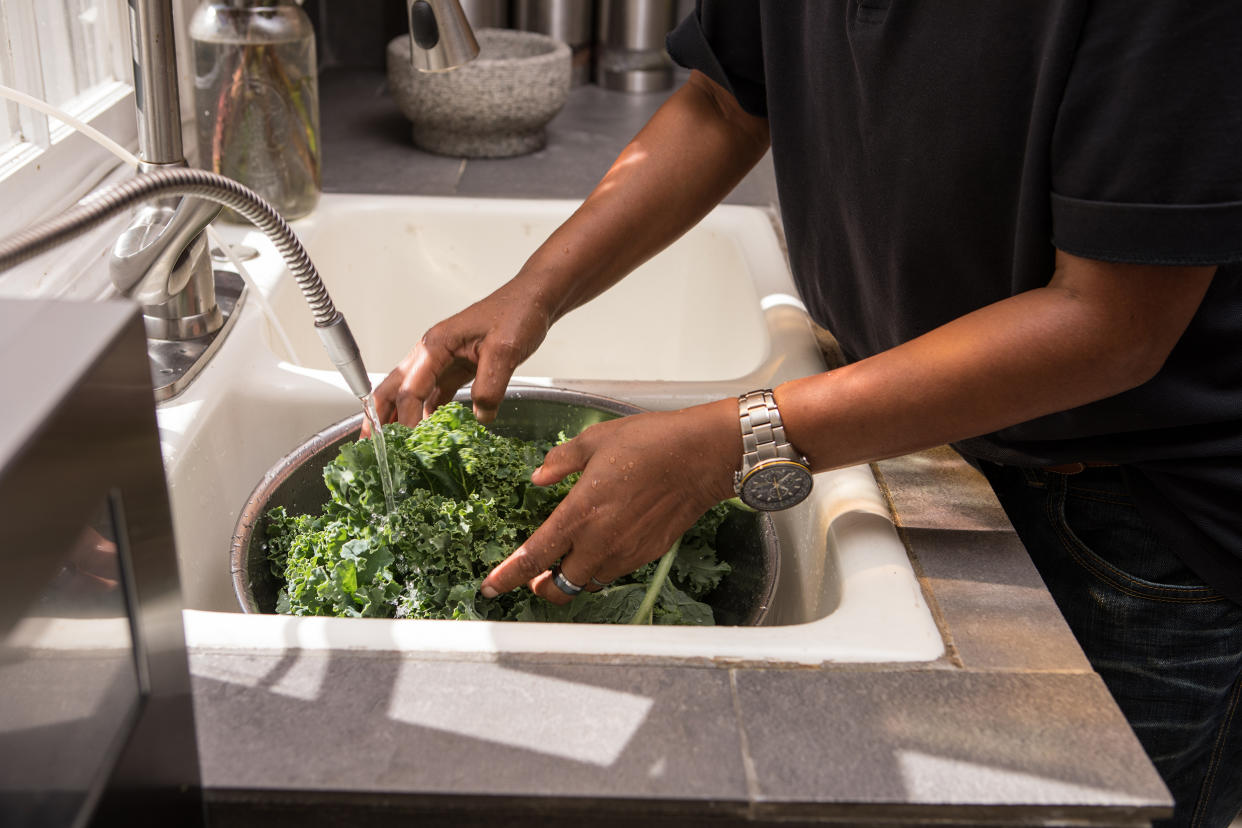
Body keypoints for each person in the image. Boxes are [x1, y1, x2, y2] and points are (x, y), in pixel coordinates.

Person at [365, 3, 1242, 825]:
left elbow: (1111, 322)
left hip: (1137, 526)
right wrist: (536, 291)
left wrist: (727, 443)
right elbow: (725, 103)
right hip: (930, 441)